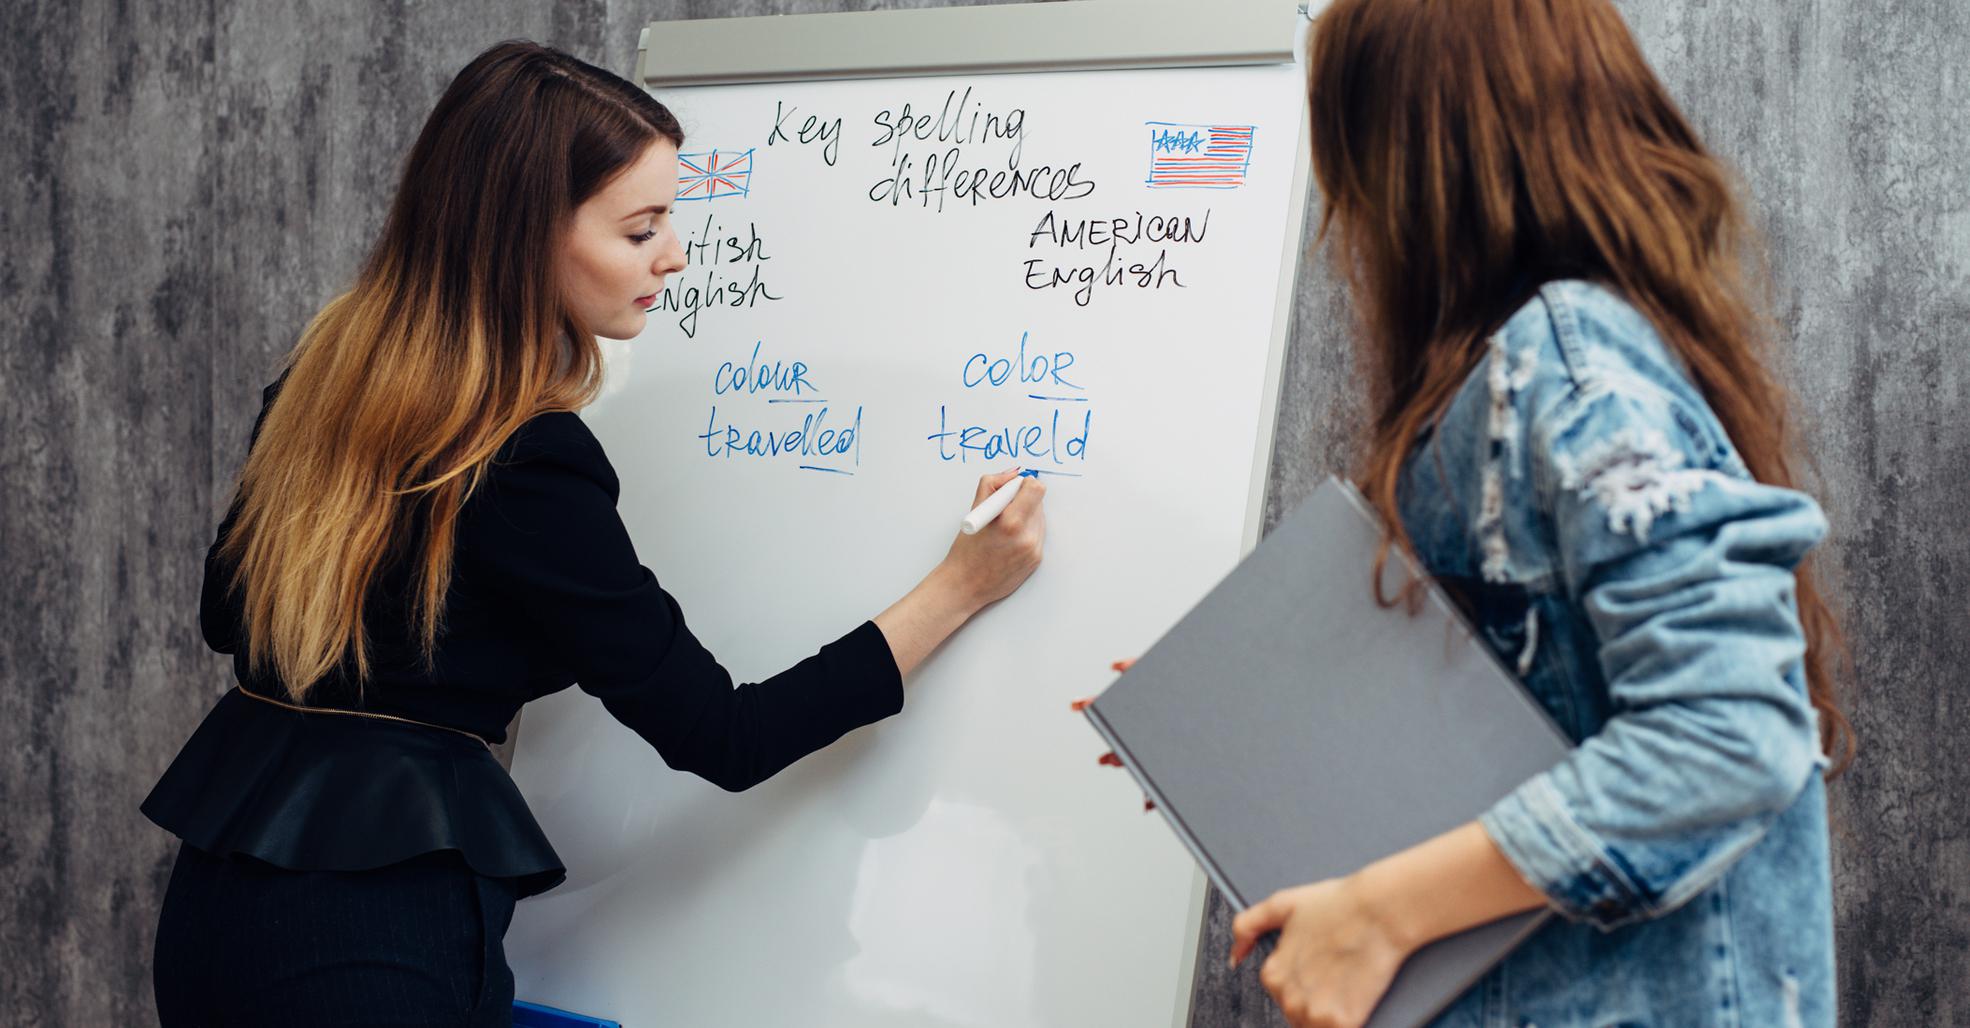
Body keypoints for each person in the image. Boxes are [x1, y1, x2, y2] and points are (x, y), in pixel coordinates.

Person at [143, 40, 1045, 1027]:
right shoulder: (526, 459)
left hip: (217, 914)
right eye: (640, 228)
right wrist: (962, 585)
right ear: (524, 234)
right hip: (371, 949)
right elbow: (724, 734)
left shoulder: (323, 380)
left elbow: (231, 615)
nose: (674, 254)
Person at [1208, 2, 1852, 1025]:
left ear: (1416, 161)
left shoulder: (1561, 368)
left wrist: (1378, 914)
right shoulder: (1525, 376)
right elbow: (1517, 722)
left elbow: (1728, 734)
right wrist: (1234, 729)